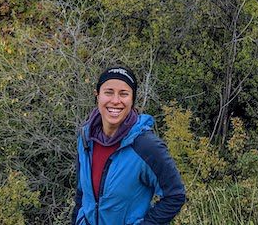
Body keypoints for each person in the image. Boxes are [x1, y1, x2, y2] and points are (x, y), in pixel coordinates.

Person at [72, 66, 186, 225]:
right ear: (97, 95)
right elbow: (82, 192)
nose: (115, 100)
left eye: (124, 94)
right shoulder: (85, 139)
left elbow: (175, 195)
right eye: (108, 92)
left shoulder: (145, 146)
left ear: (132, 100)